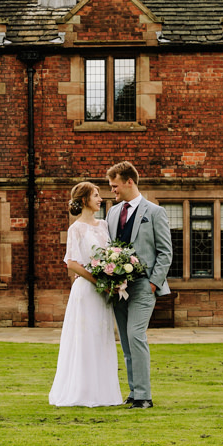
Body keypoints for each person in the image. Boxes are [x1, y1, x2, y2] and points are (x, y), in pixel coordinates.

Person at [48, 181, 123, 407]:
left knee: (101, 336)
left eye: (100, 194)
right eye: (96, 195)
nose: (100, 198)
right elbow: (71, 263)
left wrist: (114, 274)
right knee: (85, 338)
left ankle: (103, 393)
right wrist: (99, 280)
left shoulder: (103, 225)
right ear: (83, 201)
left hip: (103, 293)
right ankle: (81, 391)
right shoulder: (76, 228)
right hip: (86, 291)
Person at [105, 161, 173, 409]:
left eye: (115, 186)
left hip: (144, 286)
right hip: (119, 289)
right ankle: (133, 392)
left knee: (136, 335)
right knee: (125, 340)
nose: (113, 191)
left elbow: (166, 252)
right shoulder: (112, 213)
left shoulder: (155, 212)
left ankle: (144, 396)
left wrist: (154, 284)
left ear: (129, 182)